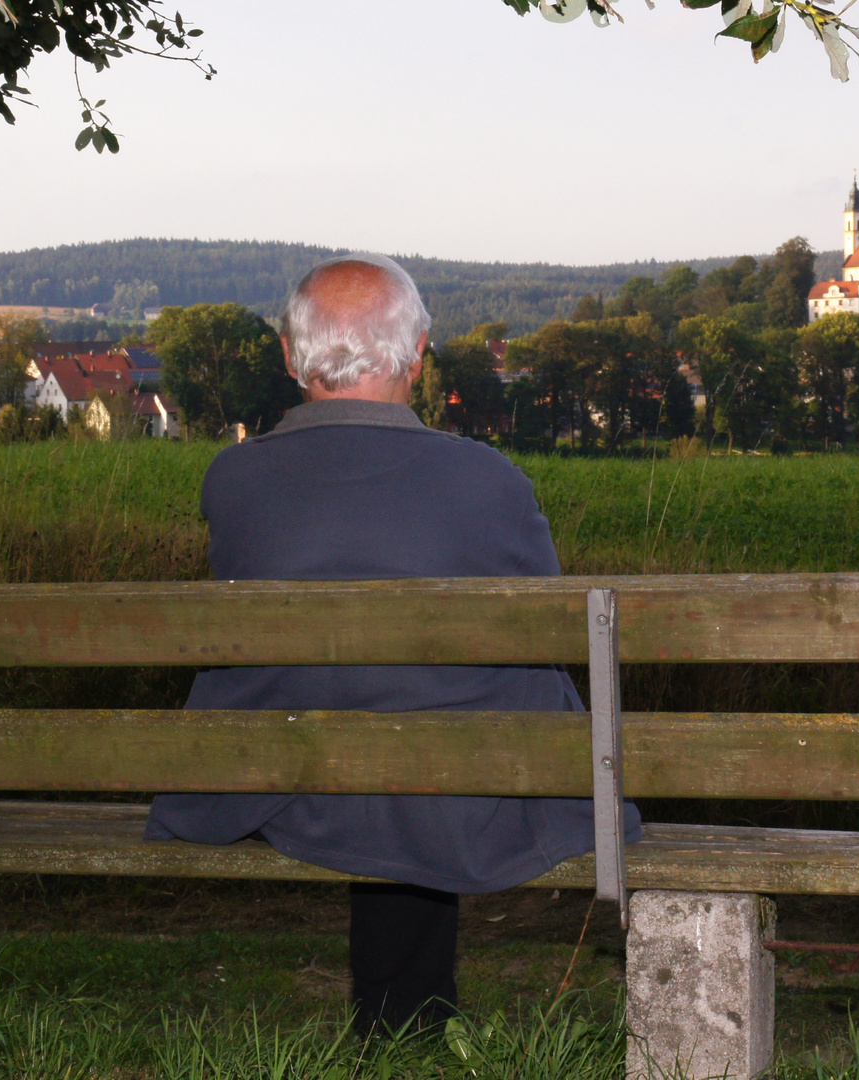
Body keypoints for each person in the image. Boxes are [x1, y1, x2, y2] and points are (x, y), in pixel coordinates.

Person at [145, 252, 640, 1035]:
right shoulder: (488, 480)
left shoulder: (232, 481)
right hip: (450, 789)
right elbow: (549, 626)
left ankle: (399, 1024)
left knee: (373, 736)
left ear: (288, 355)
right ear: (416, 355)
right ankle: (404, 1026)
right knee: (437, 738)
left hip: (283, 780)